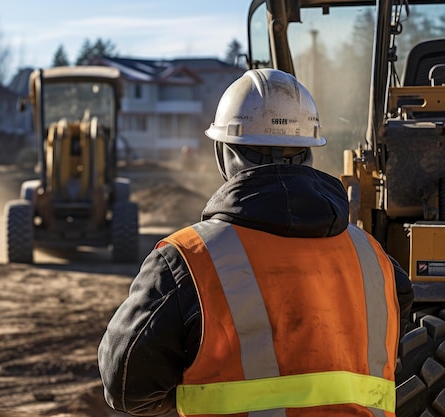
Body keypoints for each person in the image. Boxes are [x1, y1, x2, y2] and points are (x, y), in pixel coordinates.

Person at [97, 68, 413, 417]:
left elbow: (125, 386)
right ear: (308, 152)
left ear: (225, 154)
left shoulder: (186, 261)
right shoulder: (374, 259)